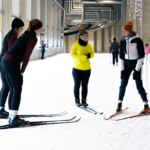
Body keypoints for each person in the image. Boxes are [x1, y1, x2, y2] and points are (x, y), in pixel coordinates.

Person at [0, 19, 43, 127]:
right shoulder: (33, 37)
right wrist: (22, 72)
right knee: (17, 89)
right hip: (11, 62)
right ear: (38, 28)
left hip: (5, 61)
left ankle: (11, 116)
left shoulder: (26, 34)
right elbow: (26, 56)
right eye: (41, 27)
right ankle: (14, 117)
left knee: (12, 88)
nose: (41, 29)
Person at [116, 21, 148, 114]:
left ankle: (146, 106)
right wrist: (122, 70)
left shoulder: (138, 40)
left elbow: (141, 56)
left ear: (130, 31)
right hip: (126, 65)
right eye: (123, 31)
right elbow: (121, 57)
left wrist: (137, 70)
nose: (123, 33)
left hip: (136, 64)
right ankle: (119, 104)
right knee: (122, 85)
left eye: (125, 31)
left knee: (139, 86)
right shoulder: (123, 41)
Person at [0, 18, 24, 119]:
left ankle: (1, 109)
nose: (22, 29)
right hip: (6, 63)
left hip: (2, 62)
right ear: (17, 28)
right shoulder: (13, 37)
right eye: (21, 28)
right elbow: (12, 52)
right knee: (8, 86)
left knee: (6, 86)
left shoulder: (9, 35)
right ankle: (4, 110)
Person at [71, 29, 94, 107]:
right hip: (77, 69)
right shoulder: (75, 45)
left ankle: (84, 101)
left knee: (85, 85)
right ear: (80, 37)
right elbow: (72, 55)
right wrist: (83, 57)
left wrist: (89, 56)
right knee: (77, 85)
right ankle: (77, 101)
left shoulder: (89, 45)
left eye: (86, 37)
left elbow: (92, 54)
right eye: (84, 38)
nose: (86, 39)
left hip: (87, 69)